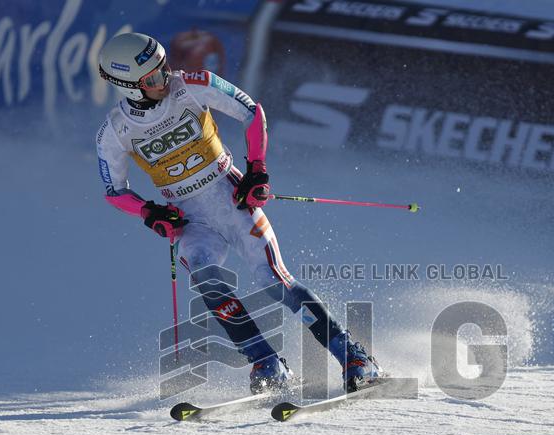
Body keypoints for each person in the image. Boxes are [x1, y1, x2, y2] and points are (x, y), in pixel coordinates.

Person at [95, 32, 382, 393]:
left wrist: (257, 169)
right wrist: (149, 212)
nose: (165, 79)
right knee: (210, 284)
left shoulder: (193, 84)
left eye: (164, 67)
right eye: (153, 78)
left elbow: (252, 113)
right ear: (130, 87)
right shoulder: (114, 131)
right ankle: (266, 362)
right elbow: (114, 192)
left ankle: (353, 356)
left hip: (231, 199)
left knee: (273, 280)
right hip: (190, 220)